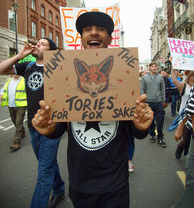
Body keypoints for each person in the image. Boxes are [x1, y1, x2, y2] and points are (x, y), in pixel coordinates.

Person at [31, 11, 154, 208]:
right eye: (87, 29)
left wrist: (141, 127)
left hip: (116, 184)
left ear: (110, 38)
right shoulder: (64, 75)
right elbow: (59, 129)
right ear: (81, 38)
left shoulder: (125, 75)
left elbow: (136, 132)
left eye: (101, 29)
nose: (94, 33)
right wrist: (50, 129)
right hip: (80, 183)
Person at [0, 38, 65, 208]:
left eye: (43, 44)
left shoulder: (58, 67)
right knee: (47, 164)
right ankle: (59, 189)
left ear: (51, 50)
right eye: (38, 42)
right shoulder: (27, 66)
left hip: (52, 126)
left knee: (44, 172)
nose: (37, 45)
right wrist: (20, 55)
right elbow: (1, 69)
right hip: (33, 126)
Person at [171, 76, 194, 207]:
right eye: (191, 77)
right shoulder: (193, 86)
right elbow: (190, 109)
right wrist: (180, 128)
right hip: (192, 129)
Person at [171, 66, 194, 159]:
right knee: (186, 138)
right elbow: (174, 80)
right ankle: (180, 147)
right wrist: (173, 67)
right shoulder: (183, 86)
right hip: (185, 116)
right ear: (189, 76)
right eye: (193, 75)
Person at [140, 62, 166, 148]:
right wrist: (143, 101)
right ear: (149, 67)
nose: (154, 68)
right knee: (150, 120)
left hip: (158, 102)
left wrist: (163, 100)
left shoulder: (160, 77)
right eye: (152, 66)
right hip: (148, 102)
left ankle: (160, 137)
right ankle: (152, 134)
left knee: (160, 120)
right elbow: (142, 89)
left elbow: (162, 89)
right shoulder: (144, 78)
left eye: (155, 66)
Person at [0, 75, 27, 151]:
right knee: (14, 121)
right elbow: (3, 90)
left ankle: (17, 142)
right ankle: (22, 131)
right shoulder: (9, 80)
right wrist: (1, 96)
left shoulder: (24, 80)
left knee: (18, 122)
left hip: (21, 105)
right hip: (11, 105)